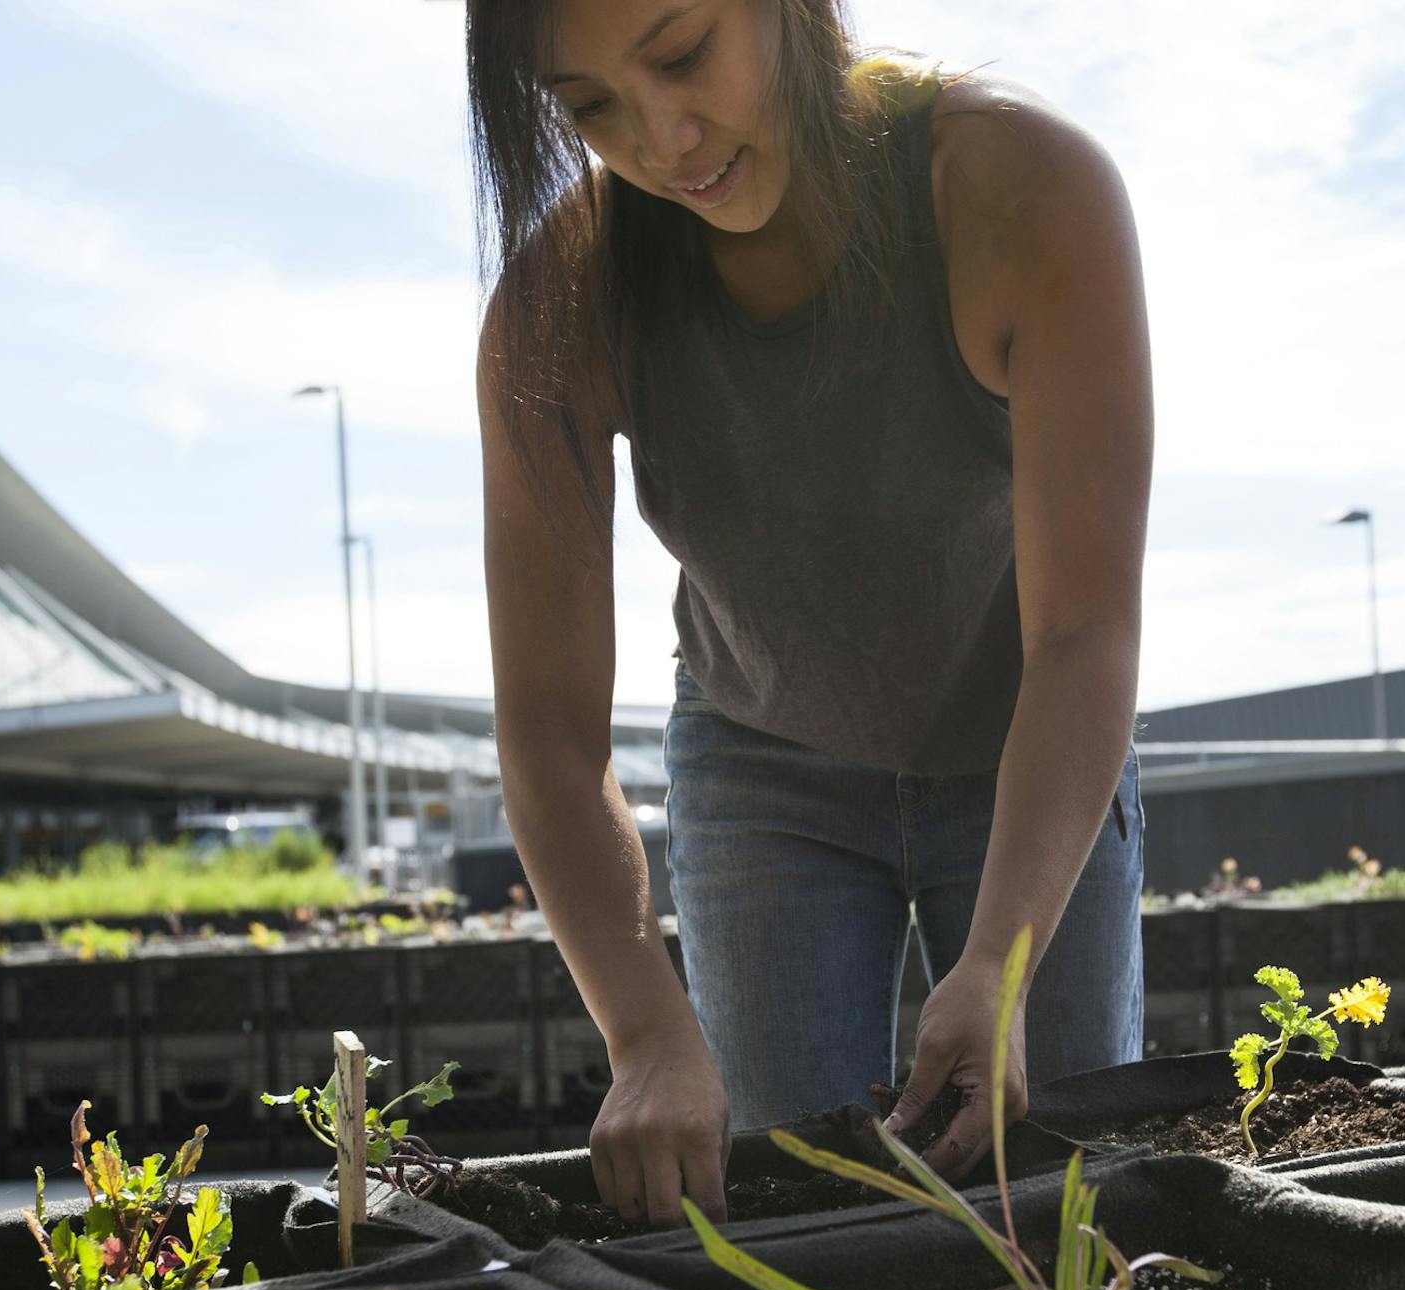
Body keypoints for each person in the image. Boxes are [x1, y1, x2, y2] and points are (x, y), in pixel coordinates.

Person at [470, 0, 1152, 1228]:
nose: (664, 137)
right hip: (760, 768)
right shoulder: (556, 308)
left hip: (1026, 750)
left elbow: (1084, 632)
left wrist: (1001, 958)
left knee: (1061, 1205)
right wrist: (643, 1033)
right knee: (808, 1222)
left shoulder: (1025, 191)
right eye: (589, 107)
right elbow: (550, 735)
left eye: (683, 55)